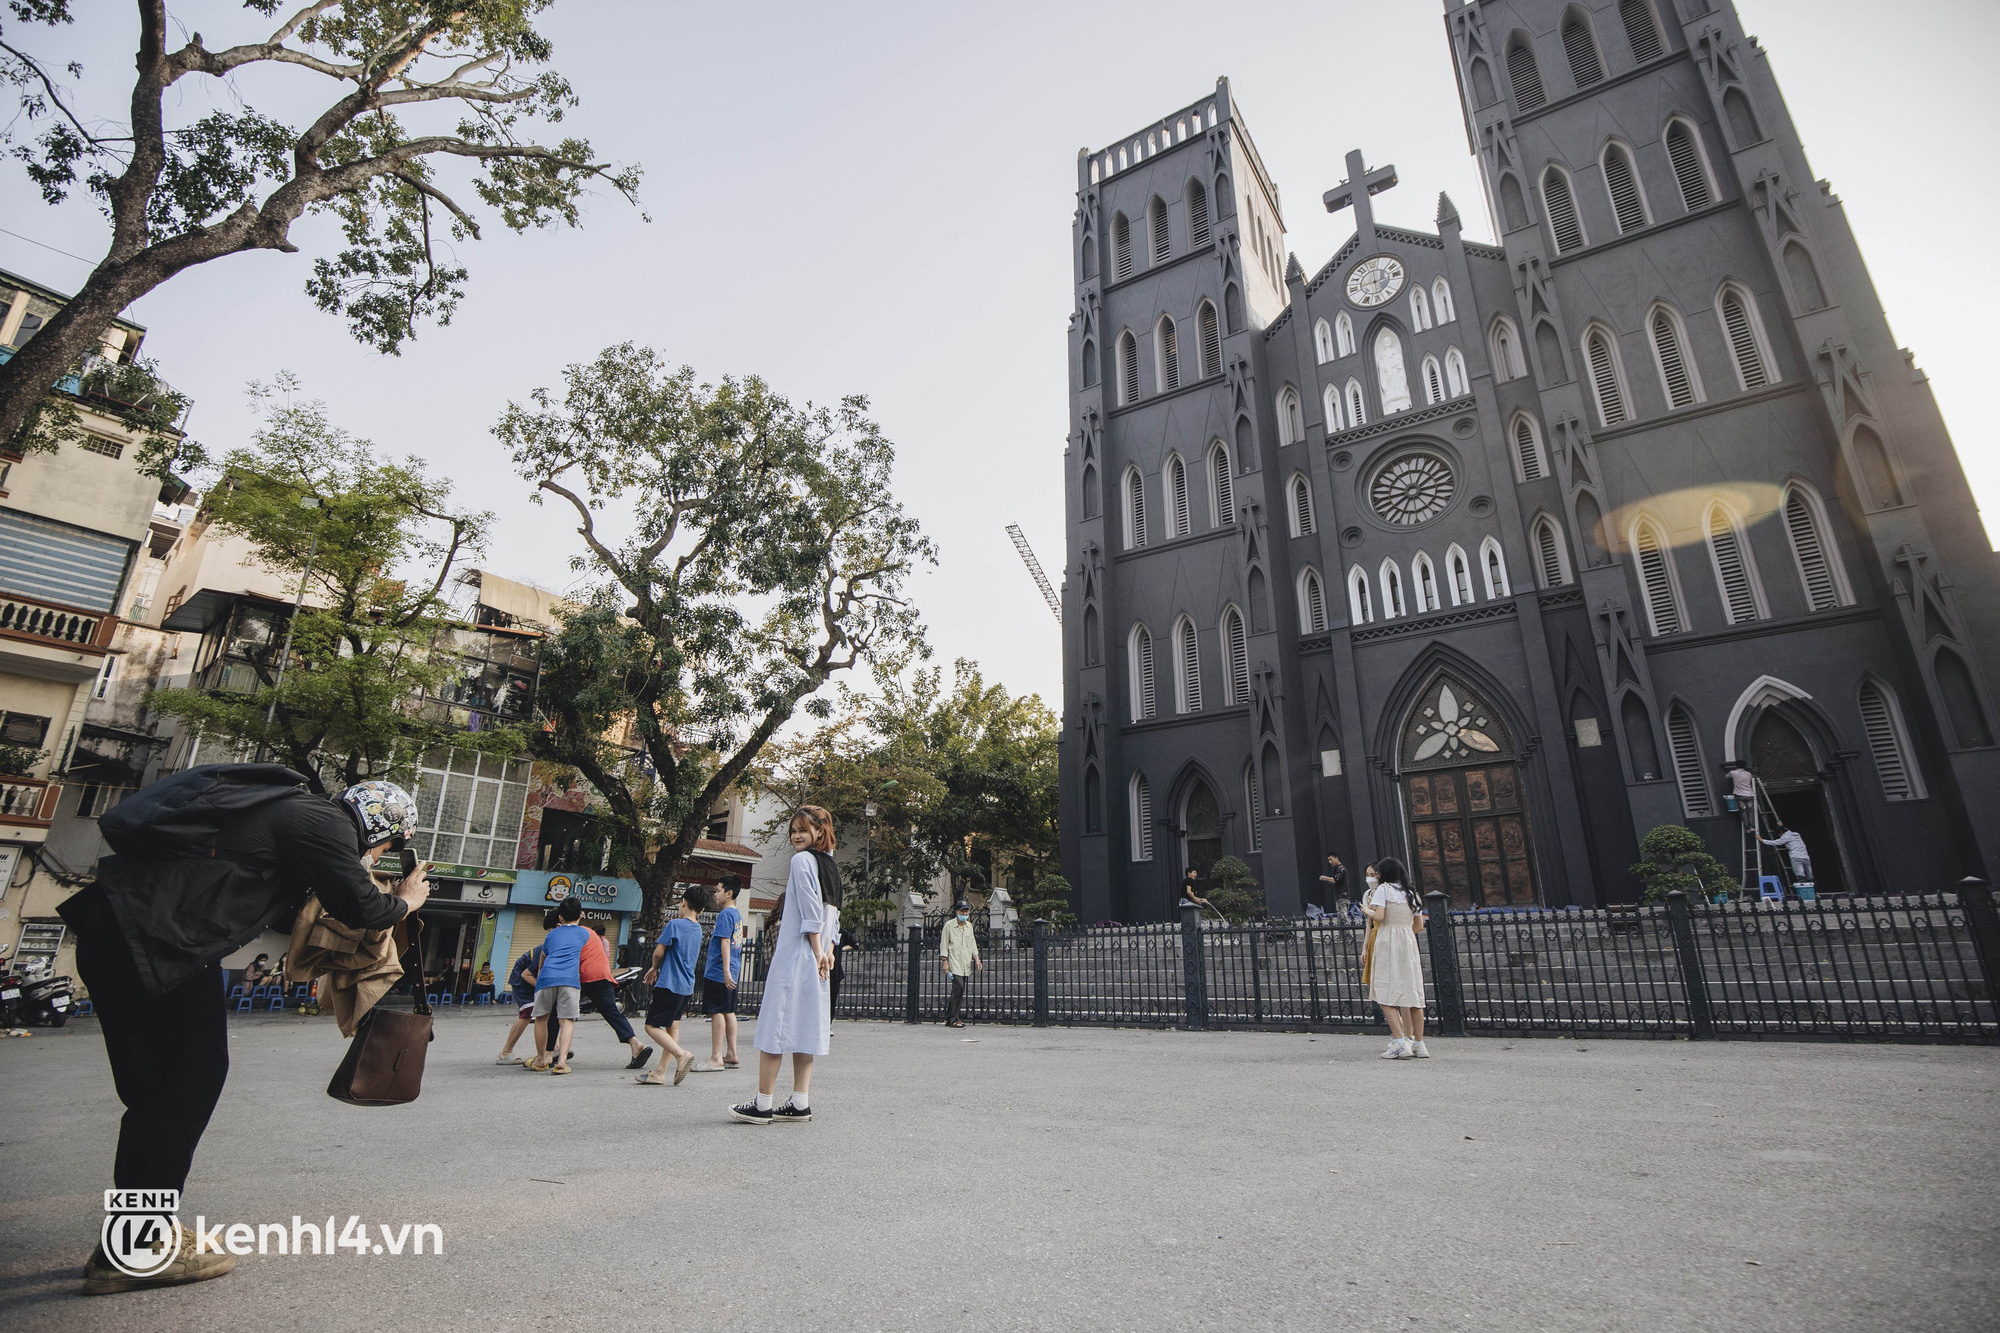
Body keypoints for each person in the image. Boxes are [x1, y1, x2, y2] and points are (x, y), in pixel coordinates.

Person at [57, 766, 428, 1294]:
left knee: (156, 1090)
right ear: (377, 824)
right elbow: (362, 906)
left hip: (128, 930)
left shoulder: (288, 817)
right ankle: (136, 1246)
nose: (379, 854)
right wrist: (408, 900)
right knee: (189, 1080)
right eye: (387, 843)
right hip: (160, 937)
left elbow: (281, 915)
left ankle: (130, 1240)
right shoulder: (321, 820)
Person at [731, 808, 836, 1125]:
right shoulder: (830, 865)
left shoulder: (802, 861)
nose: (796, 836)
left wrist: (819, 949)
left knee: (774, 1028)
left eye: (803, 829)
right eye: (793, 830)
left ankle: (763, 1104)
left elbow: (810, 912)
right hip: (819, 962)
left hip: (797, 955)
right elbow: (833, 915)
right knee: (805, 1029)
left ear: (820, 830)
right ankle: (800, 1102)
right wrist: (827, 950)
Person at [1360, 856, 1429, 1060]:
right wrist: (1404, 935)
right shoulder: (1412, 893)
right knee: (1413, 992)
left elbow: (1379, 917)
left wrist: (1367, 910)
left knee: (1384, 990)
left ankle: (1399, 1042)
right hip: (1408, 943)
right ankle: (1419, 1043)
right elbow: (1419, 926)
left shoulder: (1384, 890)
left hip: (1387, 941)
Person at [638, 885, 708, 1085]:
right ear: (702, 910)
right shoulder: (698, 929)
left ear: (683, 902)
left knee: (651, 1025)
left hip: (669, 984)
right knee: (673, 1027)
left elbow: (658, 953)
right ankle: (660, 1072)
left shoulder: (674, 925)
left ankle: (681, 1054)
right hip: (686, 986)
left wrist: (653, 967)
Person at [560, 919, 650, 1070]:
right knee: (612, 1012)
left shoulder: (570, 933)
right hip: (603, 975)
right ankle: (635, 1043)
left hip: (583, 976)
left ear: (561, 920)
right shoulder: (591, 935)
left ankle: (553, 1050)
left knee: (561, 1010)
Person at [530, 897, 590, 1075]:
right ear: (580, 915)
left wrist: (541, 972)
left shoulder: (552, 934)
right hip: (569, 980)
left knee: (541, 1018)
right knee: (566, 1020)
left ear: (560, 917)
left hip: (547, 978)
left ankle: (541, 1058)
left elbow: (543, 957)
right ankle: (562, 1061)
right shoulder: (584, 933)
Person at [694, 875, 744, 1073]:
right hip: (733, 969)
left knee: (716, 1011)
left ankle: (716, 1056)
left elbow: (724, 942)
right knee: (728, 1010)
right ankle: (731, 1053)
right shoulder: (737, 915)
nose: (715, 894)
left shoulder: (724, 915)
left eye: (718, 890)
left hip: (719, 971)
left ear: (728, 893)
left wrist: (723, 970)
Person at [496, 910, 558, 1064]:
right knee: (528, 1013)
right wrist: (543, 988)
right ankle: (505, 1052)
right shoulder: (546, 947)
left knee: (548, 1014)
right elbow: (525, 975)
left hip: (535, 979)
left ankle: (554, 1048)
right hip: (522, 981)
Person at [939, 899, 981, 1028]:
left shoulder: (969, 926)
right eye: (962, 911)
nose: (965, 913)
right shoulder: (949, 926)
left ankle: (947, 1017)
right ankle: (954, 1019)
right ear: (957, 912)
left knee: (957, 989)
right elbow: (944, 944)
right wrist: (945, 962)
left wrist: (977, 958)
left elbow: (972, 943)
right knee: (959, 987)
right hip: (954, 961)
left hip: (965, 962)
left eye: (966, 911)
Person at [1760, 823, 1813, 893]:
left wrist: (1762, 840)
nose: (1779, 836)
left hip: (1796, 857)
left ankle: (1805, 894)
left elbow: (1775, 842)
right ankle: (1815, 893)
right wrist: (1782, 826)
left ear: (1781, 832)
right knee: (1810, 877)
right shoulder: (1796, 834)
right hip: (1806, 857)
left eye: (1779, 834)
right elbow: (1787, 831)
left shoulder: (1785, 837)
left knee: (1801, 877)